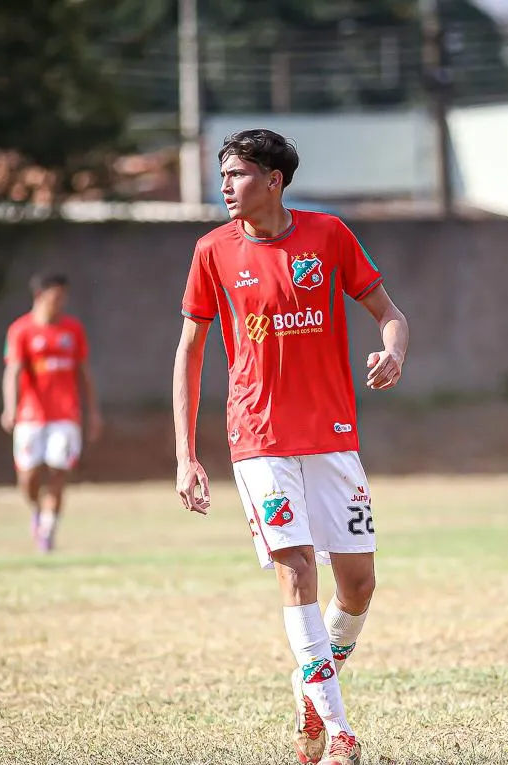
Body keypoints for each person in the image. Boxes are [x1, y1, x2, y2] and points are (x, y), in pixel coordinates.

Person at [172, 129, 409, 765]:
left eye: (239, 173)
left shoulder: (328, 235)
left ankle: (312, 685)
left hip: (332, 436)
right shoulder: (211, 252)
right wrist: (186, 454)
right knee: (297, 567)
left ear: (274, 179)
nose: (226, 186)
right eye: (222, 175)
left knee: (358, 583)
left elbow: (391, 313)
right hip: (259, 439)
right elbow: (190, 352)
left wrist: (393, 352)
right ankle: (339, 731)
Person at [1, 273, 102, 553]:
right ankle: (36, 509)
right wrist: (10, 407)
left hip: (65, 416)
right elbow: (13, 371)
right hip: (30, 416)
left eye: (63, 298)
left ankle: (47, 528)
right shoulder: (20, 330)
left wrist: (92, 413)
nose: (60, 303)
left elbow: (84, 374)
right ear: (39, 297)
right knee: (28, 476)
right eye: (55, 297)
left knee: (59, 471)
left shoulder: (72, 330)